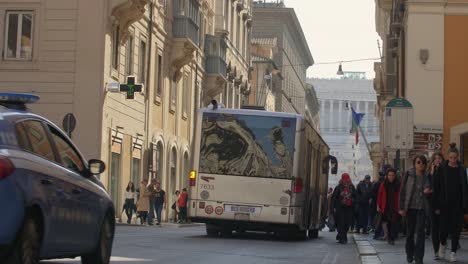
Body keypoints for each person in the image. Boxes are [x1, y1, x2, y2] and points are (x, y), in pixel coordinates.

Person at [433, 143, 468, 262]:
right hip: (444, 204)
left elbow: (465, 188)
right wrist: (436, 205)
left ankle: (453, 252)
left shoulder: (462, 169)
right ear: (448, 156)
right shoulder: (442, 168)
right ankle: (442, 245)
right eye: (451, 157)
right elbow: (436, 187)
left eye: (455, 158)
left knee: (456, 230)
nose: (453, 160)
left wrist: (465, 207)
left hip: (457, 205)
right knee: (443, 230)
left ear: (458, 157)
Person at [399, 155, 430, 264]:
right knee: (410, 233)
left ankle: (419, 257)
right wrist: (401, 207)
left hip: (422, 208)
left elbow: (430, 187)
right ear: (414, 164)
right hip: (410, 208)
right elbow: (402, 191)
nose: (420, 164)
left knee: (421, 233)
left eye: (423, 162)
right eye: (418, 162)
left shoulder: (427, 175)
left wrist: (428, 190)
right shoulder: (409, 174)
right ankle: (409, 253)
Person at [426, 152, 444, 260]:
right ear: (432, 161)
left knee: (443, 229)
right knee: (434, 228)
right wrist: (432, 174)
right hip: (432, 204)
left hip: (443, 204)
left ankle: (442, 246)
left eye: (439, 158)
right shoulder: (429, 174)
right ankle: (436, 251)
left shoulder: (446, 172)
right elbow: (429, 189)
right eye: (435, 158)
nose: (437, 160)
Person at [377, 168, 400, 245]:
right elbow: (379, 195)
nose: (391, 177)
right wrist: (378, 205)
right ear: (387, 176)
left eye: (392, 175)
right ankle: (390, 237)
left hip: (395, 206)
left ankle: (392, 237)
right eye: (390, 175)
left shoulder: (398, 184)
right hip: (386, 206)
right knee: (388, 222)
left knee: (394, 222)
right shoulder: (383, 184)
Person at [332, 173, 356, 244]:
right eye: (345, 180)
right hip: (340, 208)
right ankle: (343, 238)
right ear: (342, 180)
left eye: (347, 180)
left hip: (349, 208)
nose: (346, 181)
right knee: (341, 223)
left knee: (347, 223)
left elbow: (356, 196)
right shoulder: (338, 187)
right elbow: (334, 198)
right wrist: (334, 207)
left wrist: (352, 200)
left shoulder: (352, 187)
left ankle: (342, 235)